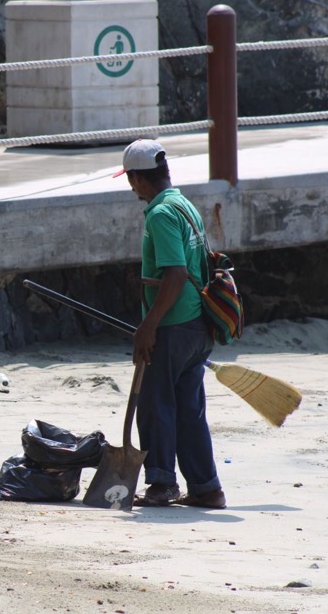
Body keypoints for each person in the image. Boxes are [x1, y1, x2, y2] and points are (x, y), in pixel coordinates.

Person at [115, 139, 226, 508]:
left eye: (130, 180)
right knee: (189, 410)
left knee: (155, 403)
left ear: (138, 179)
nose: (131, 187)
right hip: (196, 325)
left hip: (174, 324)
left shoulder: (161, 214)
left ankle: (162, 484)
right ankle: (206, 487)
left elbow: (176, 274)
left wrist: (149, 326)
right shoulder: (183, 205)